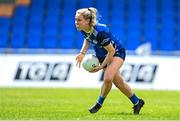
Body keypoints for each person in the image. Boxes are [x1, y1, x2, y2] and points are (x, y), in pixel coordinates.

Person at [75, 7, 145, 114]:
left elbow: (111, 51)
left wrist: (100, 67)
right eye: (76, 20)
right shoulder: (84, 29)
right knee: (119, 83)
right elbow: (87, 39)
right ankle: (137, 102)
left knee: (108, 78)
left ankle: (99, 104)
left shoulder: (100, 33)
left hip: (117, 52)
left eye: (79, 20)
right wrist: (82, 53)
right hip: (103, 54)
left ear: (87, 21)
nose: (76, 22)